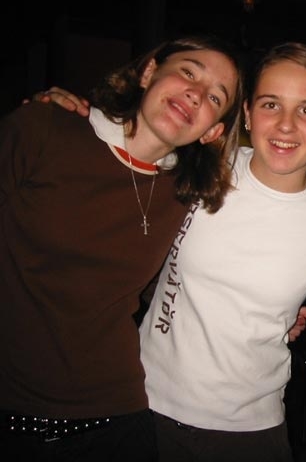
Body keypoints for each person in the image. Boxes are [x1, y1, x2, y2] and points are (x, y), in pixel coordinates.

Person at [33, 41, 306, 462]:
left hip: (245, 434)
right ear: (247, 113)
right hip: (138, 407)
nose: (286, 125)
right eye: (271, 104)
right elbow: (126, 144)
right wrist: (68, 114)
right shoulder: (202, 164)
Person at [0, 34, 244, 462]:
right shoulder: (46, 127)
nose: (195, 93)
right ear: (149, 72)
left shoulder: (186, 194)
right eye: (188, 72)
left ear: (213, 131)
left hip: (116, 416)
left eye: (214, 97)